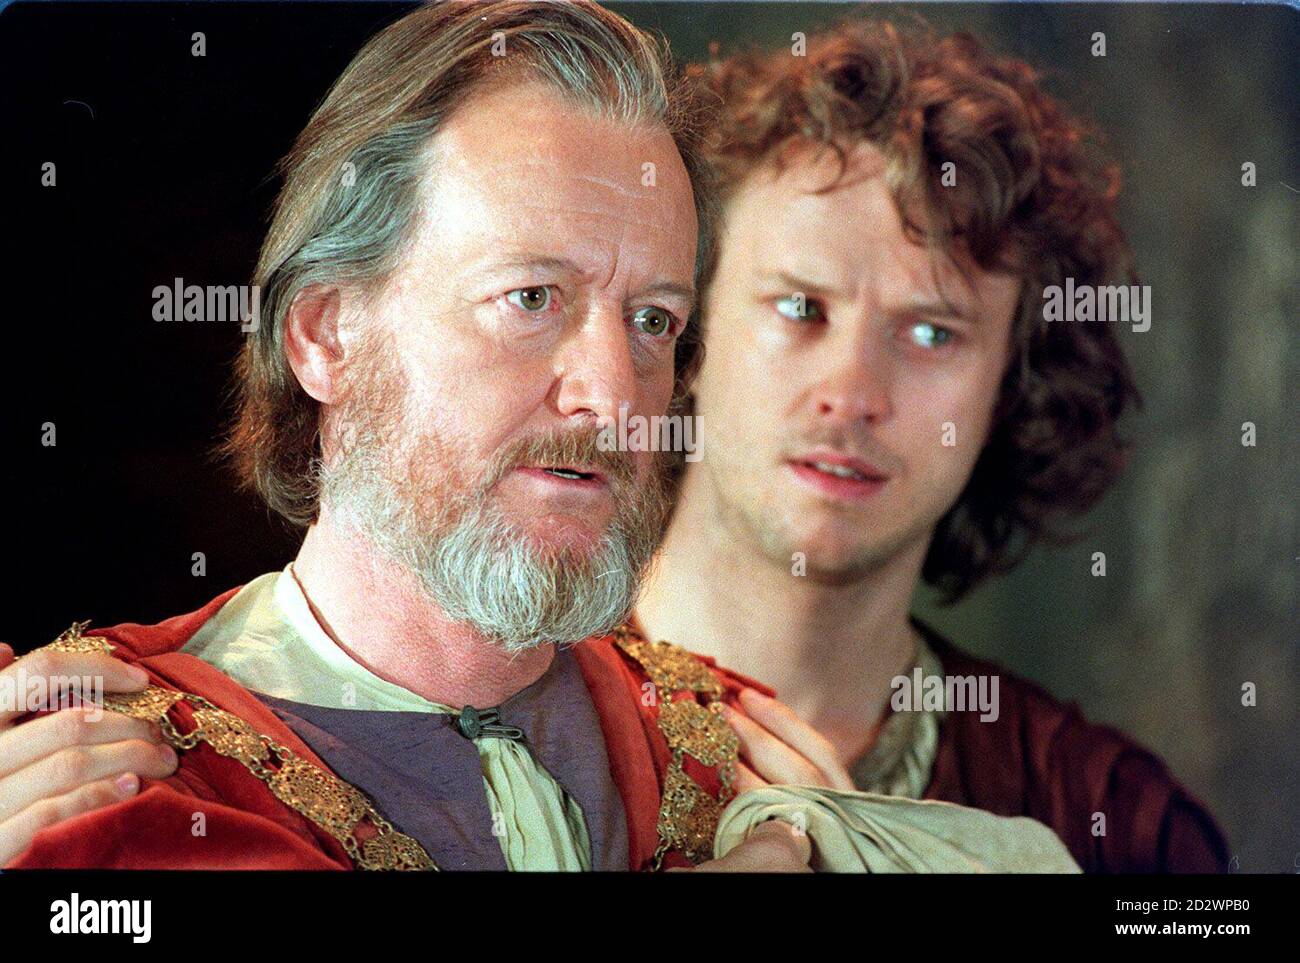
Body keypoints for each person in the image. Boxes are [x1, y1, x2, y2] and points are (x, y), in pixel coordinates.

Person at [0, 0, 815, 873]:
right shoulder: (85, 774)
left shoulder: (739, 756)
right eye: (530, 298)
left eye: (653, 319)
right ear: (326, 335)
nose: (613, 393)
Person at [630, 19, 1227, 873]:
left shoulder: (1119, 825)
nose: (855, 393)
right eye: (800, 308)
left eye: (932, 332)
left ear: (1014, 385)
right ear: (689, 330)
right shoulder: (482, 736)